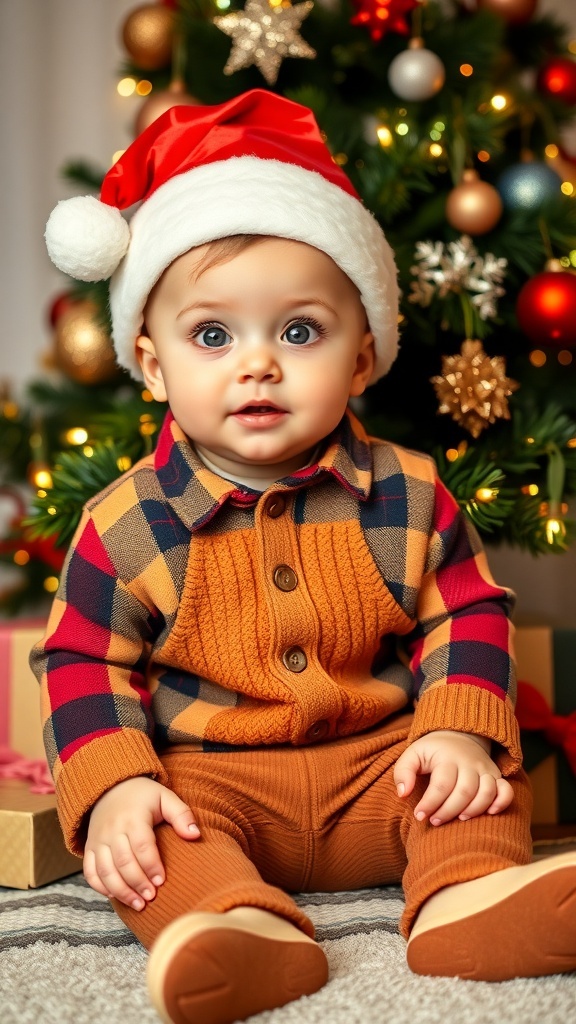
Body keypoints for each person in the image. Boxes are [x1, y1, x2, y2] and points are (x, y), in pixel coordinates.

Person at [33, 90, 576, 1024]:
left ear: (362, 355)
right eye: (212, 335)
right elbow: (83, 660)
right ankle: (237, 927)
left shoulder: (409, 492)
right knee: (149, 843)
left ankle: (463, 899)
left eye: (299, 332)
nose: (258, 364)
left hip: (383, 770)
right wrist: (118, 781)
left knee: (477, 784)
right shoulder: (126, 521)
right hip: (218, 786)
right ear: (153, 364)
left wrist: (452, 728)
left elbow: (469, 611)